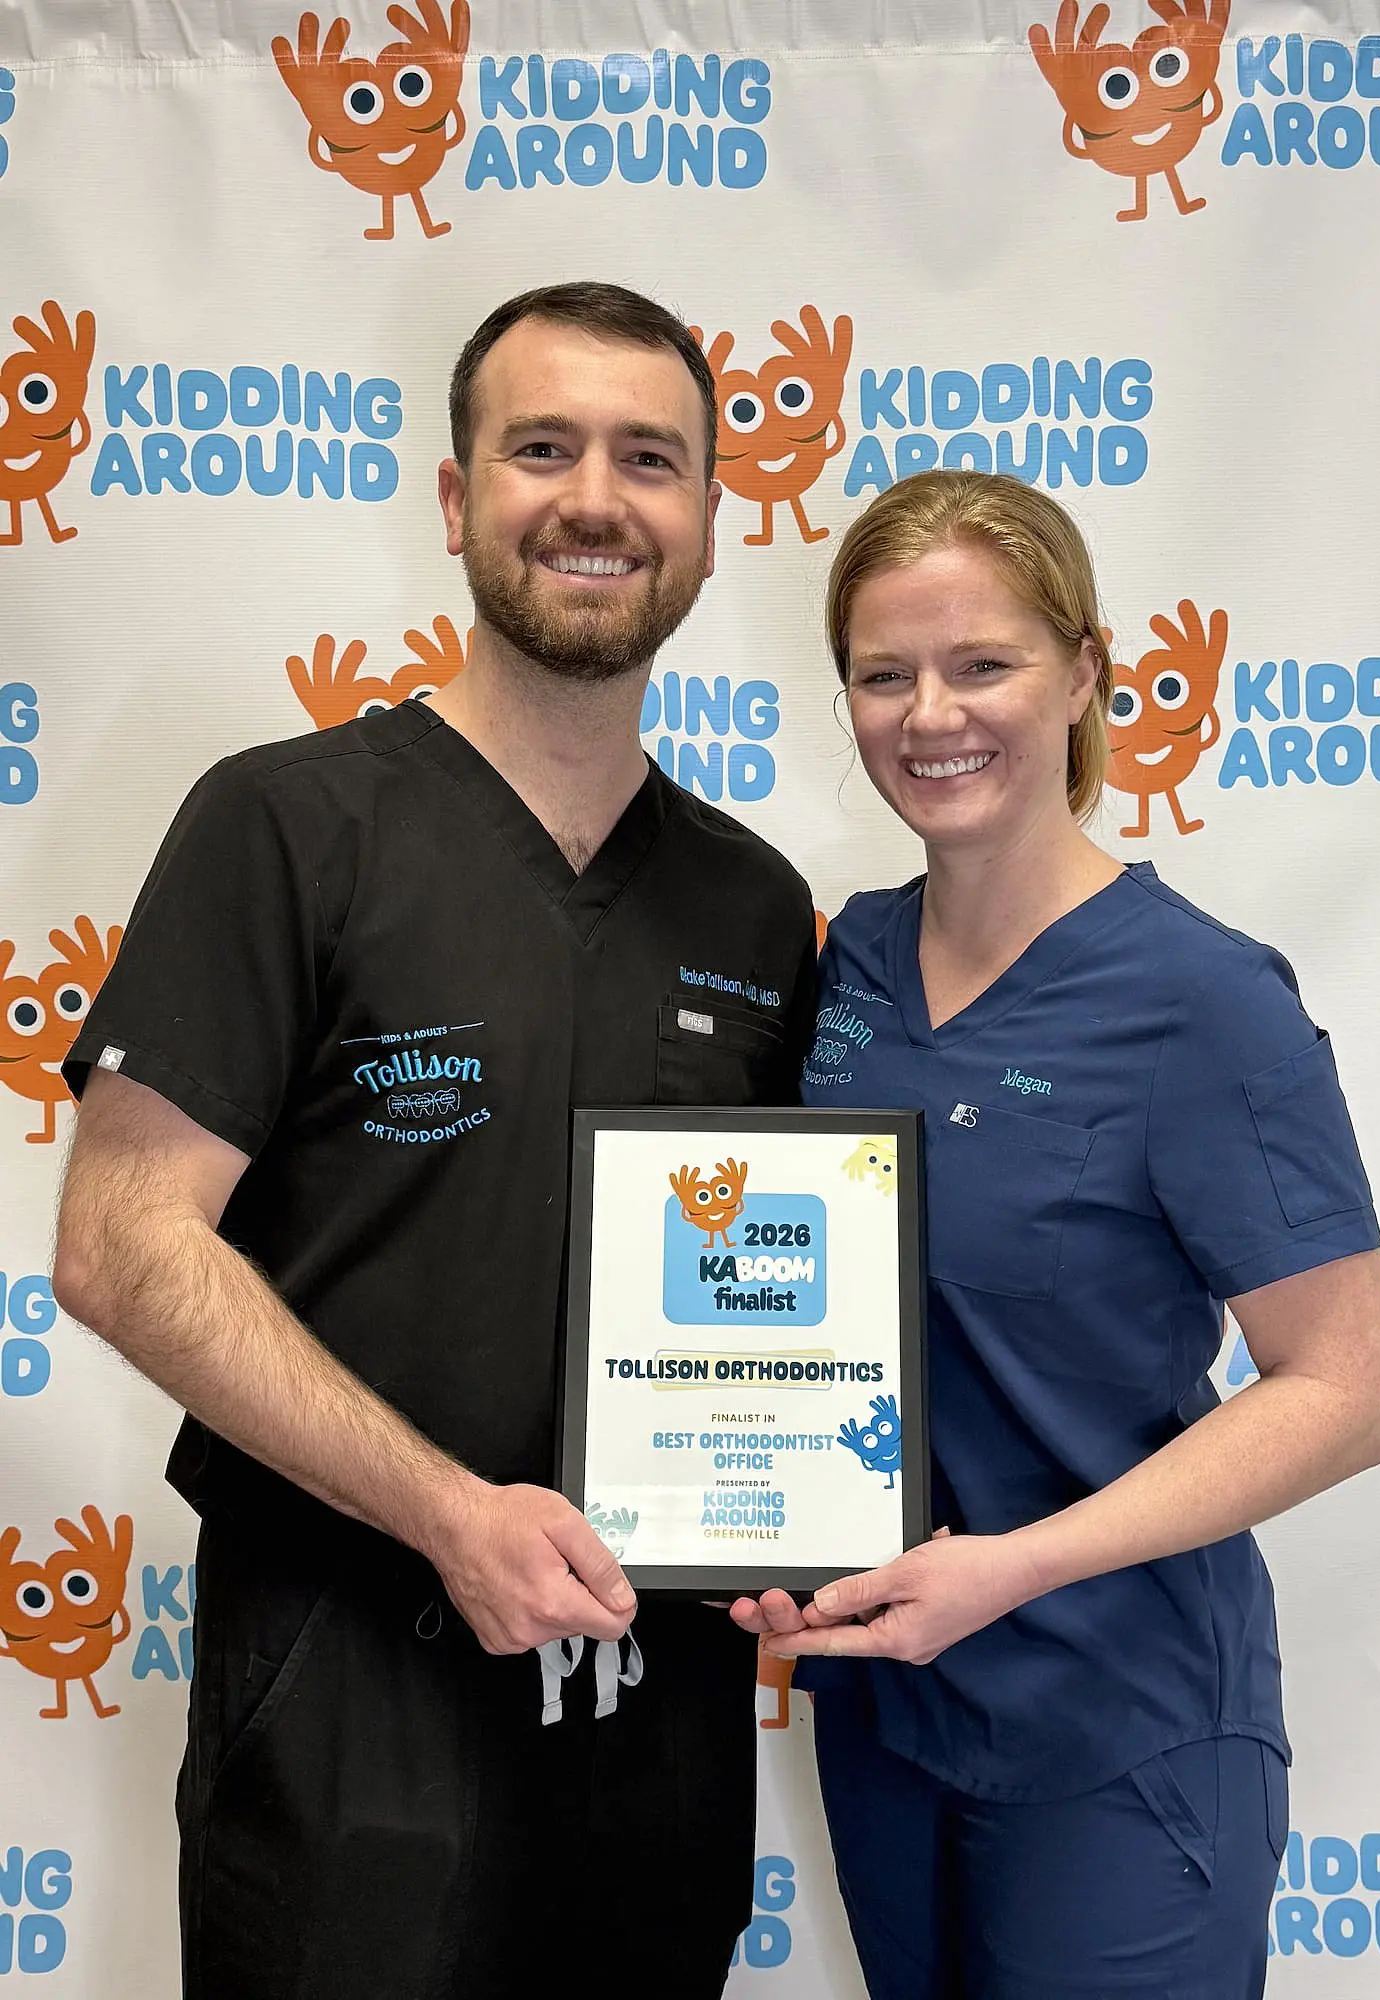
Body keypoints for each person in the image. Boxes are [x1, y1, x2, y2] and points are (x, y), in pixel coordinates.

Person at [53, 281, 818, 2000]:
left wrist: (797, 1529)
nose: (596, 498)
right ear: (459, 496)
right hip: (349, 1691)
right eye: (541, 447)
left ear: (710, 524)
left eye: (651, 459)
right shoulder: (285, 824)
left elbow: (781, 1301)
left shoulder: (758, 906)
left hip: (659, 1700)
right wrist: (445, 1511)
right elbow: (121, 1244)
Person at [732, 470, 1380, 1998]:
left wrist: (1016, 1566)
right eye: (884, 673)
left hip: (1125, 1721)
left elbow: (1347, 1392)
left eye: (984, 664)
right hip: (889, 1706)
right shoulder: (845, 969)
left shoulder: (1205, 1001)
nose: (930, 713)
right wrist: (753, 1538)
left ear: (1088, 670)